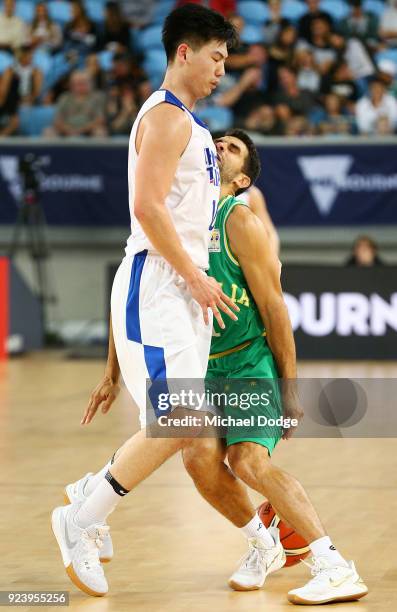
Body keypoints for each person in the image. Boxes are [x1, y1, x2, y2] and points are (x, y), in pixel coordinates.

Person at [73, 130, 369, 606]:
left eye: (231, 148)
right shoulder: (173, 216)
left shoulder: (240, 221)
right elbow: (137, 293)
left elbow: (275, 310)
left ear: (242, 178)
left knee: (247, 461)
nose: (219, 147)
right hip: (198, 366)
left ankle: (334, 565)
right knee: (197, 459)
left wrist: (291, 392)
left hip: (247, 362)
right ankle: (262, 542)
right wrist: (109, 371)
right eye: (218, 142)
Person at [51, 4, 239, 598]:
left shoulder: (195, 125)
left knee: (181, 423)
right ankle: (79, 519)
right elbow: (147, 209)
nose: (221, 71)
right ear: (184, 52)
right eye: (215, 57)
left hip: (181, 288)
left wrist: (200, 277)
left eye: (227, 60)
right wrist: (195, 276)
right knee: (179, 420)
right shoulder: (163, 118)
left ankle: (90, 492)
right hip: (159, 283)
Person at [45, 69, 106, 137]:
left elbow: (100, 120)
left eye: (83, 83)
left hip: (89, 130)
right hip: (66, 130)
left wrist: (81, 130)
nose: (80, 86)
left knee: (100, 132)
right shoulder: (64, 98)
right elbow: (57, 121)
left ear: (90, 84)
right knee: (49, 131)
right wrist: (69, 130)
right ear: (71, 85)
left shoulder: (97, 98)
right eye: (77, 83)